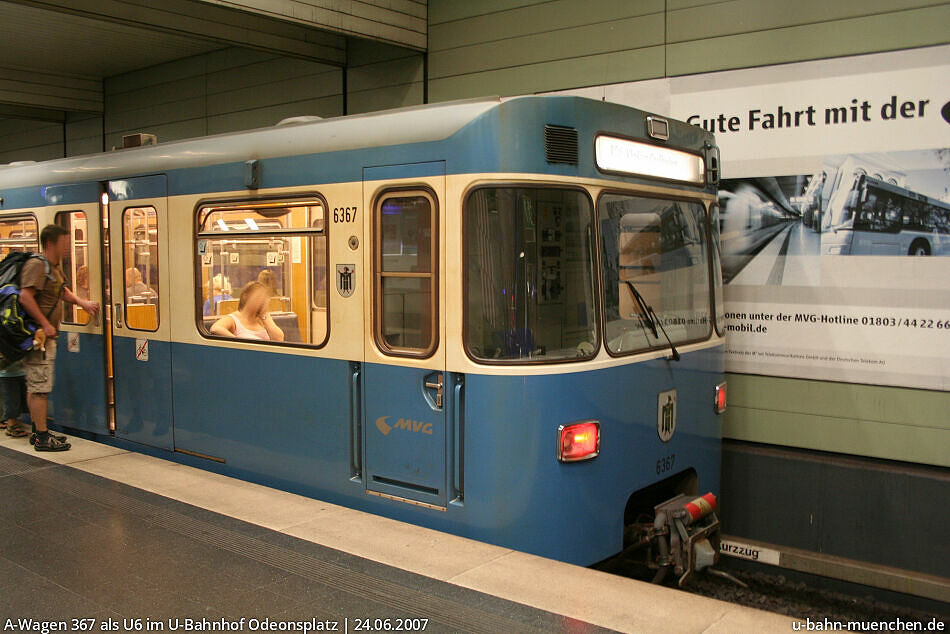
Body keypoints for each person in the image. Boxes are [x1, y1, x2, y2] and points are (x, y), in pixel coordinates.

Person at [19, 224, 101, 451]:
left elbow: (61, 291)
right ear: (50, 243)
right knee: (40, 387)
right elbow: (26, 297)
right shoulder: (37, 265)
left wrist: (82, 303)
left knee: (38, 384)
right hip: (39, 338)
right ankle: (42, 437)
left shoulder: (51, 267)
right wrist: (45, 323)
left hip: (45, 337)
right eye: (64, 243)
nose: (67, 247)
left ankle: (38, 430)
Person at [209, 282, 284, 342]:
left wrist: (265, 316)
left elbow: (279, 339)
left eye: (264, 298)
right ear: (246, 297)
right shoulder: (233, 319)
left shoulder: (263, 318)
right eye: (258, 297)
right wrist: (239, 343)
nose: (262, 301)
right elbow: (215, 328)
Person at [0, 359, 28, 438]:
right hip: (7, 372)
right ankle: (12, 425)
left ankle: (13, 423)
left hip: (21, 370)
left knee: (17, 399)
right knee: (11, 400)